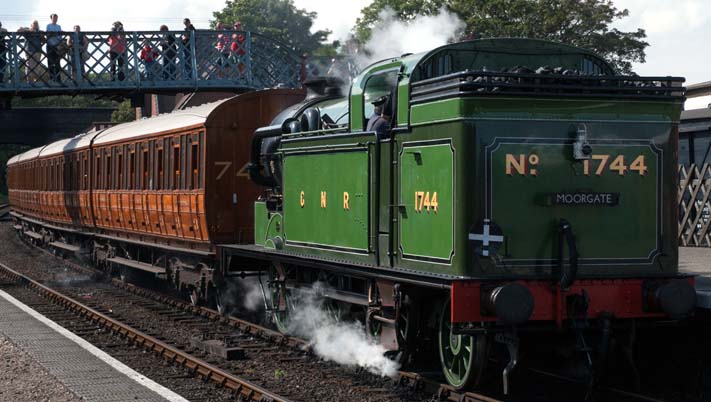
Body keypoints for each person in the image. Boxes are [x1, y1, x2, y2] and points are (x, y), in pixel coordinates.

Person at [46, 14, 62, 82]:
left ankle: (58, 79)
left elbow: (60, 37)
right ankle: (52, 79)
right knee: (50, 63)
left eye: (56, 18)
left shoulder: (59, 26)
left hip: (57, 46)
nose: (55, 19)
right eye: (54, 18)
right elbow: (47, 35)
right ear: (51, 18)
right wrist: (54, 34)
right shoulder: (48, 26)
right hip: (50, 45)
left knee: (57, 63)